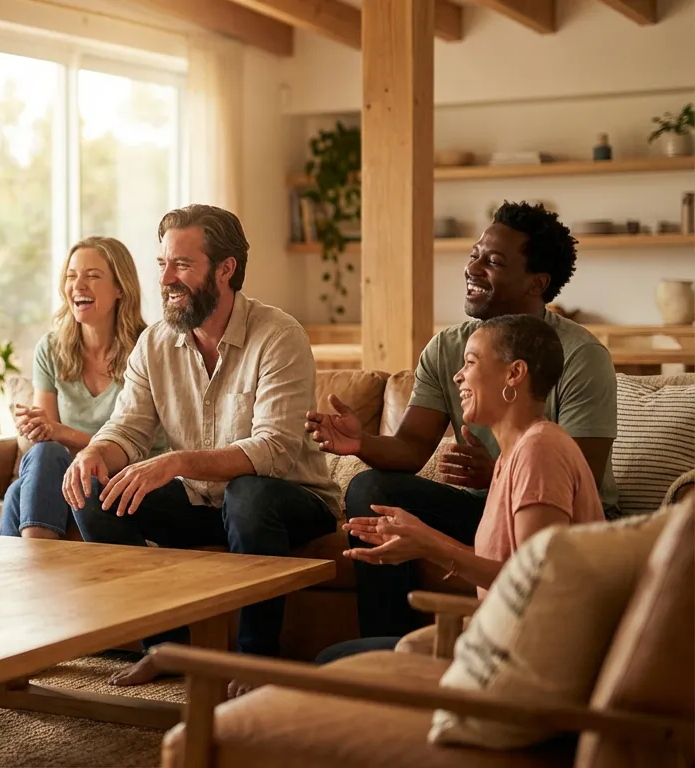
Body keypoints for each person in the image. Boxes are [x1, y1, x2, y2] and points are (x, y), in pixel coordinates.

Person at [306, 201, 618, 638]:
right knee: (370, 487)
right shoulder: (447, 347)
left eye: (493, 261)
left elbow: (579, 470)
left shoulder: (582, 357)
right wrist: (362, 443)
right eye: (474, 254)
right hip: (484, 506)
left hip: (561, 519)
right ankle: (385, 642)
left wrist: (498, 474)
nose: (472, 267)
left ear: (536, 283)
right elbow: (411, 447)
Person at [62, 204, 340, 688]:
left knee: (247, 494)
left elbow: (272, 450)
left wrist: (175, 462)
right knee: (95, 491)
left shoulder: (278, 335)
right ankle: (167, 649)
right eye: (163, 264)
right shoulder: (154, 344)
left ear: (225, 269)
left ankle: (256, 662)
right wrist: (94, 453)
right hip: (201, 500)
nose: (166, 278)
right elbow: (126, 429)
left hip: (288, 500)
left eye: (183, 265)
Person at [316, 314, 605, 662]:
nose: (457, 376)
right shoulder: (512, 456)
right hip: (504, 634)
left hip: (534, 654)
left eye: (470, 362)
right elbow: (504, 571)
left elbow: (536, 585)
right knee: (341, 657)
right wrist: (420, 540)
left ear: (514, 374)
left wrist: (430, 544)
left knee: (336, 662)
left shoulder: (540, 450)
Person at [0, 236, 166, 540]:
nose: (78, 285)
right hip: (68, 475)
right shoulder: (51, 349)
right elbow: (47, 444)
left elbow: (134, 448)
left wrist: (60, 432)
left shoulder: (149, 348)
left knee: (16, 494)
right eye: (71, 276)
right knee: (43, 456)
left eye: (92, 275)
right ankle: (35, 563)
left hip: (129, 475)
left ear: (120, 288)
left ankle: (25, 572)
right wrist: (37, 427)